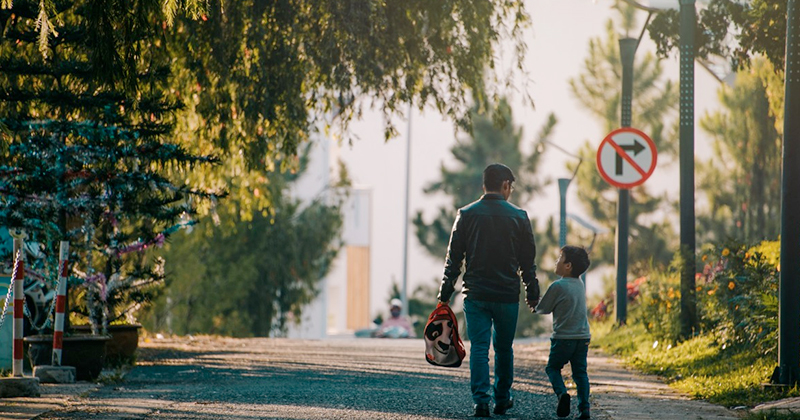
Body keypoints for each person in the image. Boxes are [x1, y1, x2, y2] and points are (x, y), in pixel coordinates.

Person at [437, 163, 539, 418]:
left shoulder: (466, 214)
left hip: (476, 295)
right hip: (506, 295)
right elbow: (528, 261)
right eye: (511, 187)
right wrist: (532, 291)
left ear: (484, 185)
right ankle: (502, 399)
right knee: (504, 348)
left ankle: (481, 401)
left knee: (480, 348)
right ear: (506, 185)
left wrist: (445, 294)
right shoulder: (519, 216)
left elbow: (453, 259)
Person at [533, 245, 592, 419]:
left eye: (560, 258)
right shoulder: (580, 284)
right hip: (582, 337)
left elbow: (543, 308)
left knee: (552, 368)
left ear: (568, 266)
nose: (557, 261)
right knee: (580, 373)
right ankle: (585, 408)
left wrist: (534, 304)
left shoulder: (557, 286)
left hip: (563, 338)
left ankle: (562, 394)